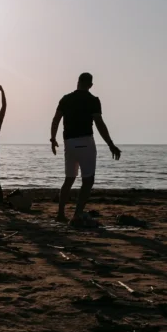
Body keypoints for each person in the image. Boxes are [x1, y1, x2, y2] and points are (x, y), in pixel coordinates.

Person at [50, 72, 122, 226]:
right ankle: (76, 214)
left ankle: (60, 214)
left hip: (68, 143)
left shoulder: (65, 99)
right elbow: (99, 123)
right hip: (85, 142)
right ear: (90, 85)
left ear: (78, 82)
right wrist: (110, 144)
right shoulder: (93, 100)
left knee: (69, 179)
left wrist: (53, 138)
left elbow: (56, 119)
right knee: (88, 180)